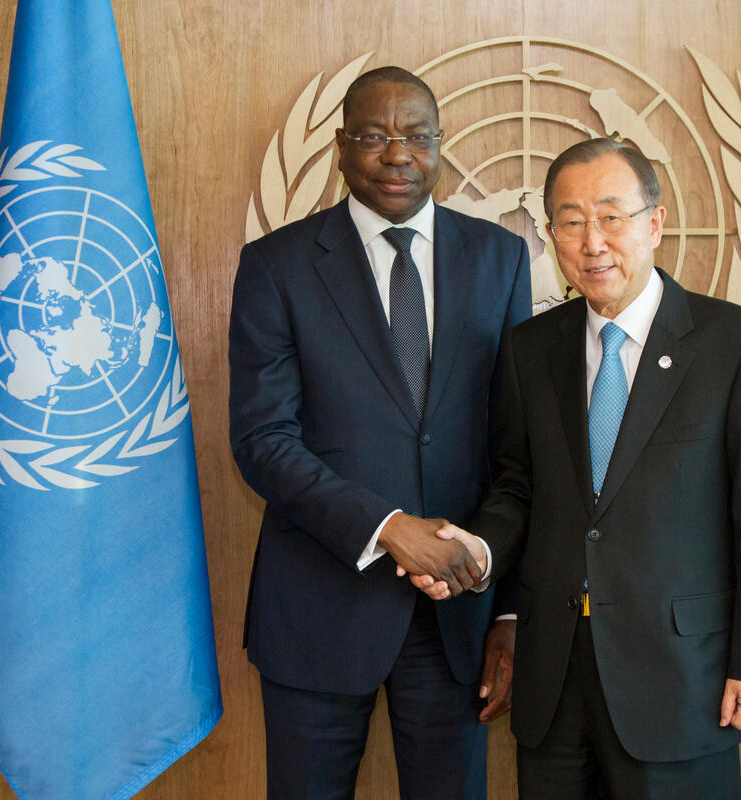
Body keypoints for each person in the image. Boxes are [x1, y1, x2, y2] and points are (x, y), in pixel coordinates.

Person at [412, 138, 741, 799]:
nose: (593, 243)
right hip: (554, 675)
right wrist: (478, 549)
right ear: (550, 234)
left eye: (611, 217)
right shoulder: (532, 348)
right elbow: (519, 487)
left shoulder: (735, 344)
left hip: (681, 678)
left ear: (654, 222)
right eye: (571, 222)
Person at [229, 66, 530, 799]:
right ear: (340, 148)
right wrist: (388, 528)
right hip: (318, 611)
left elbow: (519, 450)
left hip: (455, 615)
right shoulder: (277, 265)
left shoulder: (499, 258)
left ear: (440, 144)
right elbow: (264, 439)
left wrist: (510, 606)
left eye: (417, 136)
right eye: (373, 137)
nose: (398, 155)